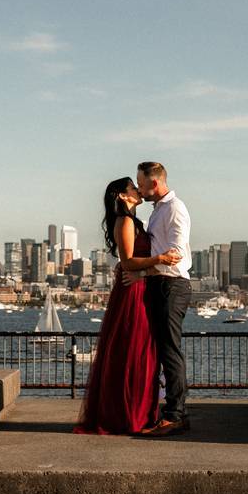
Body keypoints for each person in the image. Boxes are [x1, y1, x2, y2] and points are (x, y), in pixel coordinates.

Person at [73, 177, 181, 435]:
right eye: (133, 188)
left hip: (142, 288)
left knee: (144, 353)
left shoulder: (136, 222)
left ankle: (141, 413)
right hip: (132, 293)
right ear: (123, 196)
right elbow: (128, 261)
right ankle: (127, 416)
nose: (138, 190)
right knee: (132, 351)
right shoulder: (125, 222)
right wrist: (161, 258)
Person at [135, 161, 193, 437]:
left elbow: (176, 253)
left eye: (142, 184)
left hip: (172, 285)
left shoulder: (174, 209)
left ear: (154, 183)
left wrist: (143, 270)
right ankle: (165, 411)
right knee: (161, 350)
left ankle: (175, 415)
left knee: (170, 350)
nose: (139, 189)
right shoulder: (159, 211)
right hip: (159, 284)